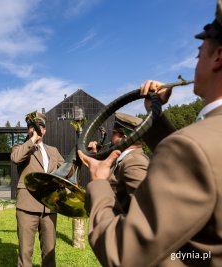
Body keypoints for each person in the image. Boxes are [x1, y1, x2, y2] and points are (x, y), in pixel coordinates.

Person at [77, 1, 222, 266]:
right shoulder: (201, 143)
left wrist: (98, 182)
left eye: (199, 52)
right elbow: (199, 170)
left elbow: (122, 254)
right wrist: (153, 113)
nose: (196, 60)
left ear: (218, 56)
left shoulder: (192, 147)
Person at [11, 111, 64, 267]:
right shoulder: (20, 147)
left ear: (45, 130)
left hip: (49, 207)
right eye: (32, 127)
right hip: (27, 207)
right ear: (28, 129)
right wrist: (32, 139)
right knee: (25, 252)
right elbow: (16, 159)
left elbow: (67, 170)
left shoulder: (53, 151)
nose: (37, 129)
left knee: (49, 251)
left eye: (40, 127)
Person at [89, 112, 149, 213]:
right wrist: (95, 154)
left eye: (113, 132)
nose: (111, 136)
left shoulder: (134, 162)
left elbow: (146, 209)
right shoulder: (124, 158)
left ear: (124, 137)